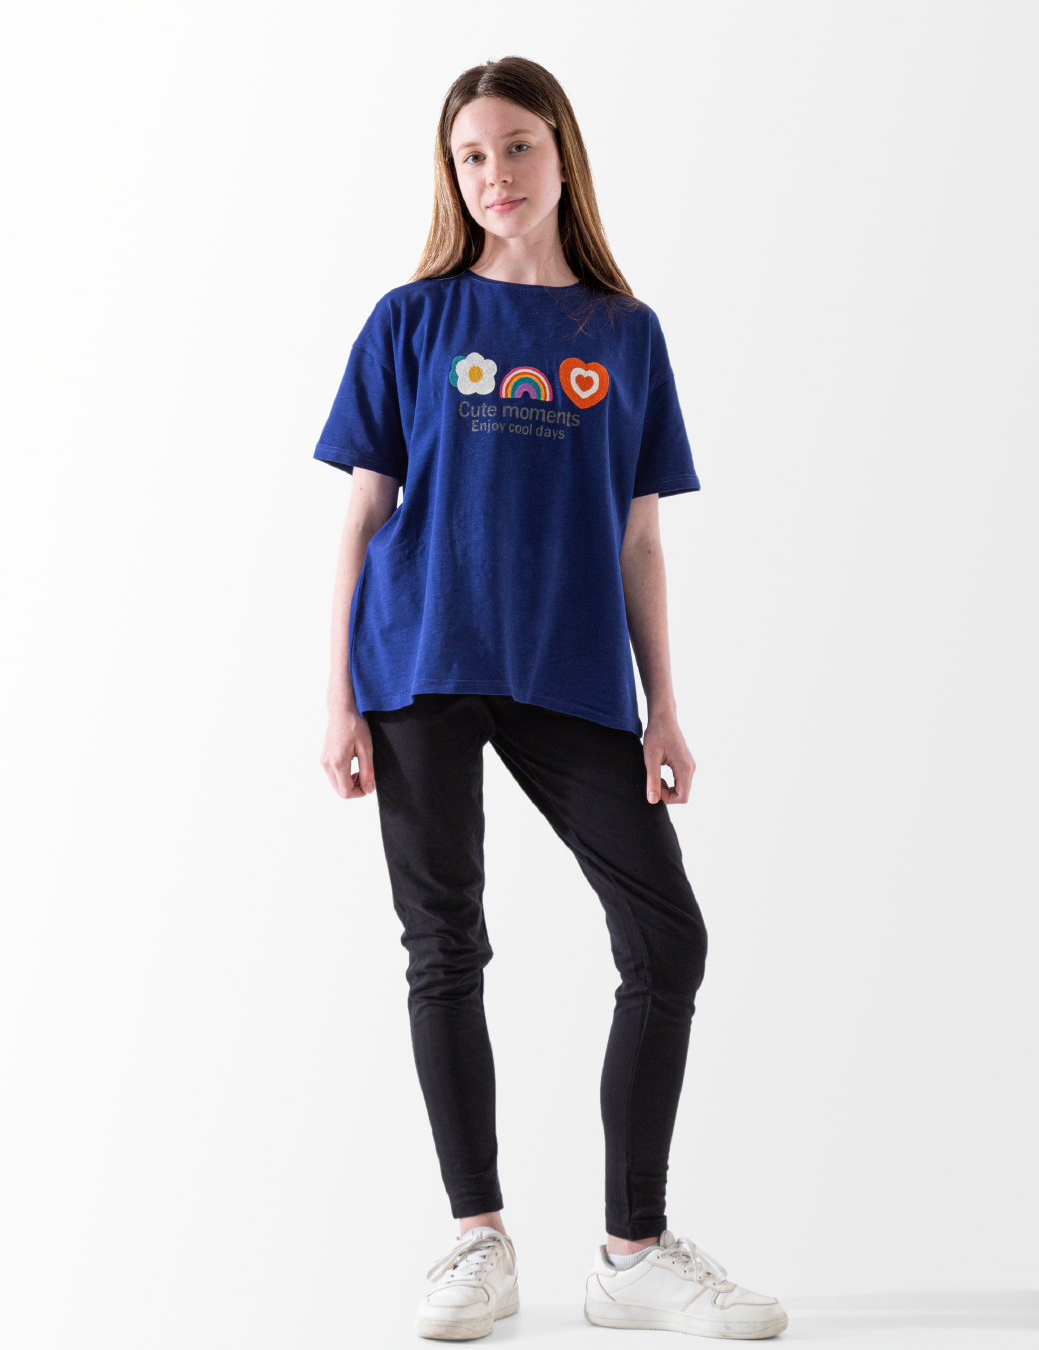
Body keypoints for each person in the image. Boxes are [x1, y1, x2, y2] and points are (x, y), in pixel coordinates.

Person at [315, 56, 787, 1342]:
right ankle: (480, 1242)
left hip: (570, 672)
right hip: (419, 662)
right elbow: (361, 515)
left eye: (517, 147)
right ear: (451, 173)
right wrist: (336, 697)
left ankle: (632, 1253)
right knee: (445, 945)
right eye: (471, 156)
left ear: (562, 153)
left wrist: (666, 708)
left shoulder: (626, 335)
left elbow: (640, 539)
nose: (496, 175)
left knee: (667, 940)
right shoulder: (411, 320)